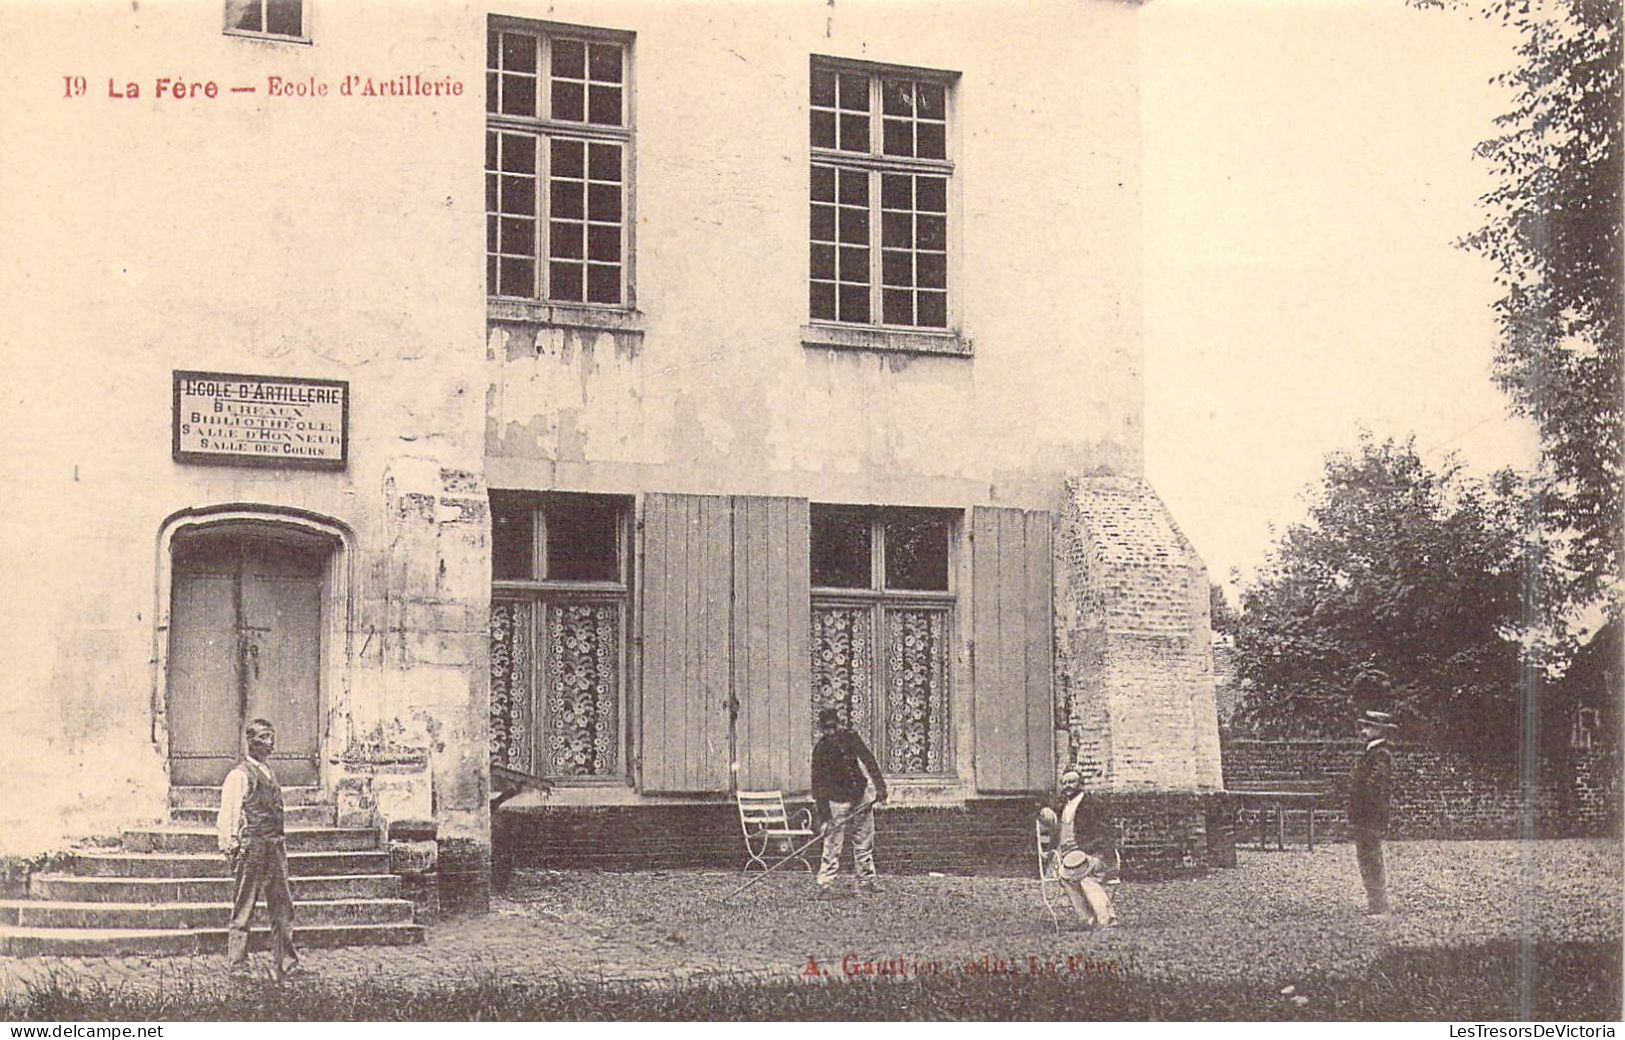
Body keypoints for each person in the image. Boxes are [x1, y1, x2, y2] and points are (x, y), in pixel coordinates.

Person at [219, 718, 303, 979]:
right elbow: (229, 813)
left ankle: (286, 963)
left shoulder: (269, 773)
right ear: (251, 742)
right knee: (244, 905)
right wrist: (230, 845)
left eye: (271, 738)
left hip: (275, 847)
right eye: (264, 738)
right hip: (253, 848)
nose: (270, 744)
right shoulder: (239, 775)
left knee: (282, 906)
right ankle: (237, 964)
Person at [810, 707, 887, 895]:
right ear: (821, 729)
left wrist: (880, 787)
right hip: (836, 801)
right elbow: (817, 786)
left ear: (838, 724)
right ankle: (825, 885)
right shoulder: (820, 749)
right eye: (827, 729)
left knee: (864, 840)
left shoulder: (851, 737)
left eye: (833, 727)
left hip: (860, 795)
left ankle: (866, 881)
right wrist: (826, 817)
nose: (831, 732)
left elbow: (869, 760)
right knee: (832, 844)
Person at [1036, 767, 1117, 928]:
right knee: (1065, 876)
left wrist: (1089, 850)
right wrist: (1043, 809)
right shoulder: (1063, 806)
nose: (1068, 786)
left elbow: (1105, 834)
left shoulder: (1093, 805)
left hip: (1096, 856)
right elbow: (1042, 812)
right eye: (1064, 783)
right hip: (1070, 860)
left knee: (1085, 877)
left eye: (1072, 782)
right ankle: (1087, 918)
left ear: (1081, 784)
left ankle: (1107, 919)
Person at [1349, 709, 1397, 915]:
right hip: (1365, 816)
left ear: (1380, 730)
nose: (1363, 730)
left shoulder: (1381, 755)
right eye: (1363, 726)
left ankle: (1378, 904)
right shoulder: (1370, 752)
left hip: (1371, 816)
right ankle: (1374, 902)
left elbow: (1375, 787)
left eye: (1368, 726)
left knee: (1371, 857)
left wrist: (1363, 807)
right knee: (1366, 856)